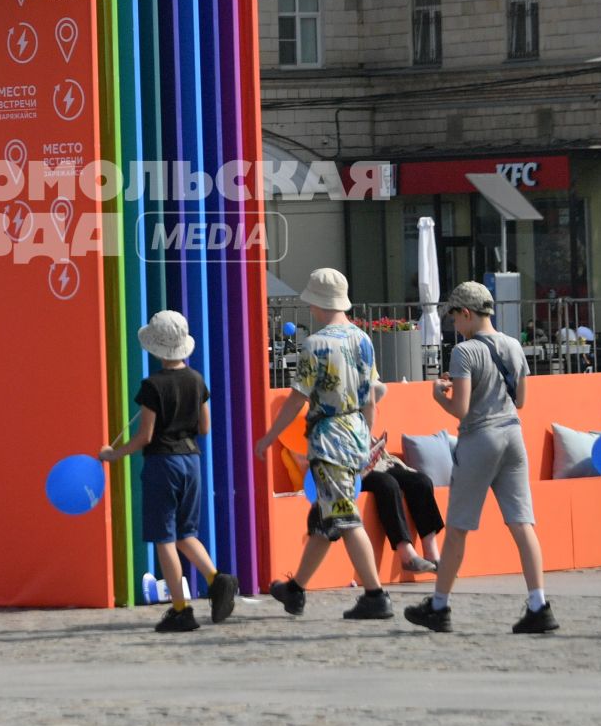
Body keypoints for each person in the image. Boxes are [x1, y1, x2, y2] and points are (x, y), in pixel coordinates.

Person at [405, 281, 558, 635]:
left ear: (467, 314)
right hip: (513, 435)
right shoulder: (514, 345)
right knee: (522, 523)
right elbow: (520, 401)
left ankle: (439, 605)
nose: (453, 326)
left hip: (480, 438)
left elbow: (460, 410)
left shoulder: (464, 352)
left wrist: (437, 396)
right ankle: (539, 604)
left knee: (458, 527)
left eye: (454, 318)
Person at [253, 268, 395, 623]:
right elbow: (371, 397)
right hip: (355, 433)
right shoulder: (362, 340)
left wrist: (270, 437)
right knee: (323, 521)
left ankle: (375, 594)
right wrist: (366, 439)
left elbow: (297, 400)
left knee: (345, 518)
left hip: (328, 440)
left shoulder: (315, 345)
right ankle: (296, 590)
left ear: (317, 304)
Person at [100, 311, 240, 632]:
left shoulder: (152, 386)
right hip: (192, 461)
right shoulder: (196, 379)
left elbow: (145, 436)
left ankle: (181, 609)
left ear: (155, 349)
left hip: (163, 464)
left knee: (164, 538)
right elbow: (204, 427)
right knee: (185, 534)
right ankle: (217, 579)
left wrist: (113, 454)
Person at [359, 437, 442, 574]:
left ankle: (432, 555)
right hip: (347, 469)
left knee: (421, 482)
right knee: (387, 484)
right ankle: (407, 555)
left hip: (372, 463)